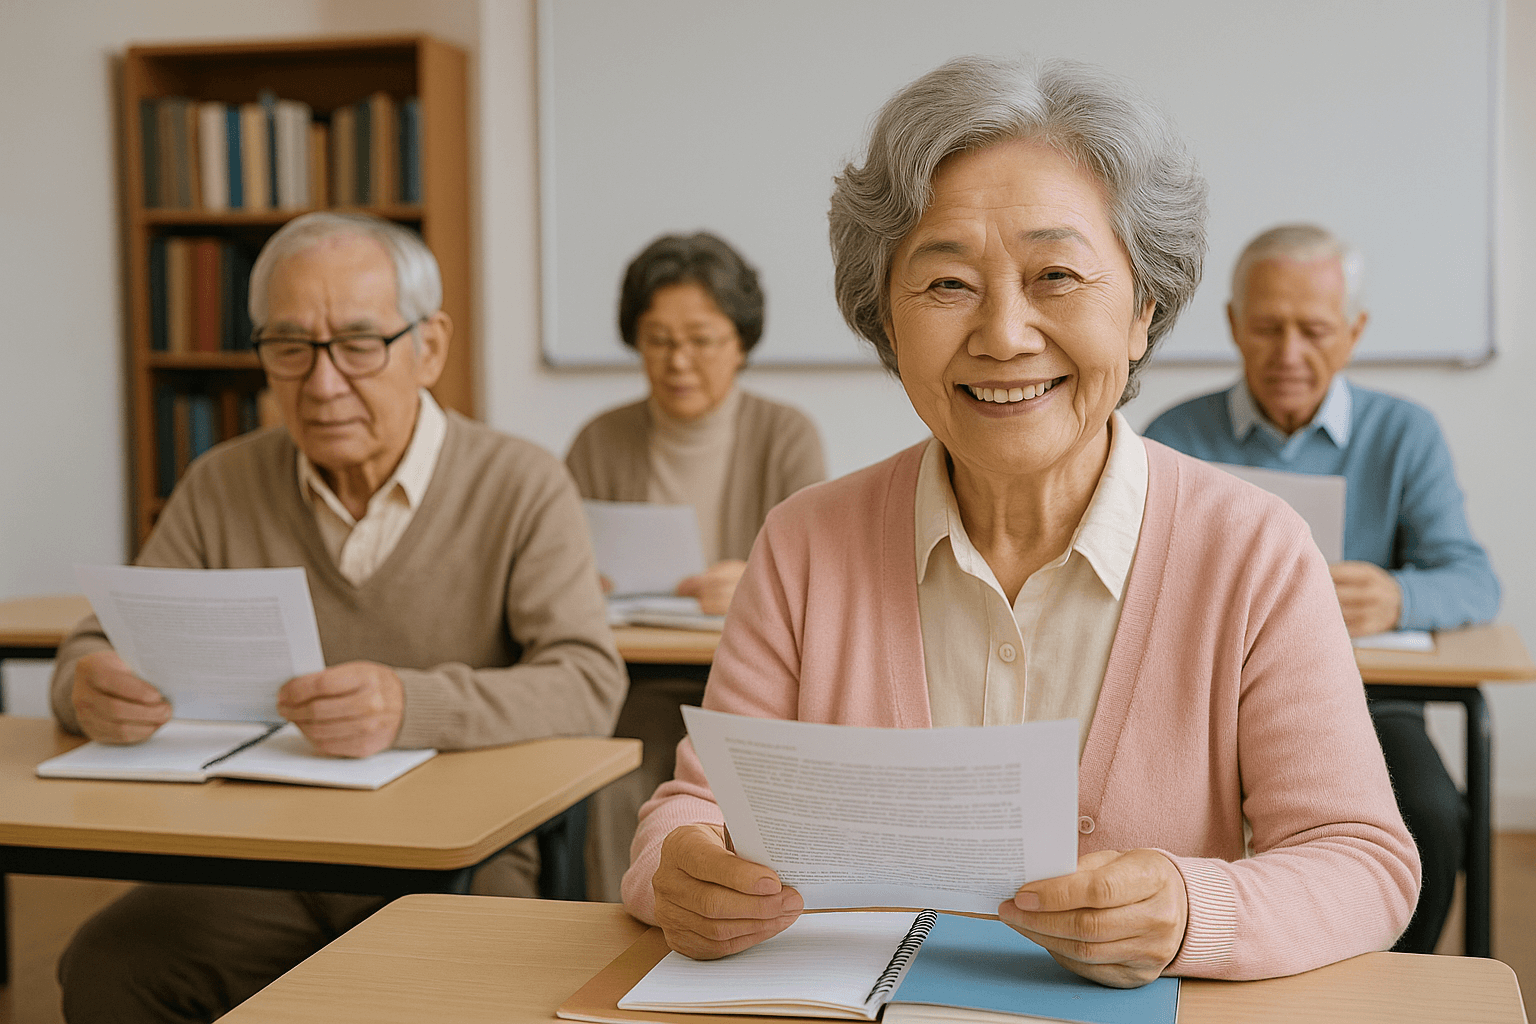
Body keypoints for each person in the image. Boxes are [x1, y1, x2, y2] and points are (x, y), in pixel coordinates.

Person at [621, 57, 1420, 987]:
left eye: (1056, 276)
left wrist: (1189, 909)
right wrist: (679, 871)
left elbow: (1362, 859)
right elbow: (694, 810)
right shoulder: (803, 544)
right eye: (948, 284)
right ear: (887, 322)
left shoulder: (1252, 550)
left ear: (1141, 312)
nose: (1004, 335)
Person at [49, 211, 626, 1023]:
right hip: (263, 859)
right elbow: (98, 638)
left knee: (426, 999)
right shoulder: (223, 481)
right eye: (289, 348)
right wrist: (85, 684)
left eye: (359, 345)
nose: (321, 385)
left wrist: (409, 705)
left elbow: (587, 681)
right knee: (113, 966)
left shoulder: (520, 485)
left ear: (429, 346)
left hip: (458, 860)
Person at [1143, 223, 1500, 953]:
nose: (1289, 355)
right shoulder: (1172, 434)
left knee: (1429, 817)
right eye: (1269, 328)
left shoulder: (1405, 433)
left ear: (1355, 331)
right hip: (1198, 704)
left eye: (1314, 330)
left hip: (1371, 702)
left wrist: (1397, 596)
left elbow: (1472, 579)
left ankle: (1383, 981)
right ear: (1235, 325)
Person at [566, 231, 825, 901]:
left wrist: (755, 585)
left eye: (701, 340)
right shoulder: (600, 439)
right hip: (639, 680)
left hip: (753, 683)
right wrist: (574, 581)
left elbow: (816, 580)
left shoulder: (785, 435)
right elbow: (558, 570)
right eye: (657, 340)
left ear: (740, 343)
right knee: (618, 782)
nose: (677, 361)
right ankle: (629, 922)